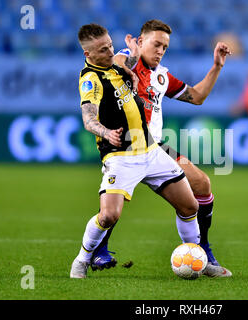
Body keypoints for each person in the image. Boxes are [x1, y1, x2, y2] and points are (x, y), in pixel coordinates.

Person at [91, 19, 233, 277]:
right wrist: (131, 56)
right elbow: (117, 65)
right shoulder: (126, 58)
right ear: (140, 41)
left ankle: (202, 250)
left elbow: (197, 97)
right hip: (126, 147)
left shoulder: (161, 76)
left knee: (201, 183)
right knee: (114, 204)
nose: (160, 50)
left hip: (156, 148)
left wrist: (216, 67)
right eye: (156, 44)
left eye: (165, 47)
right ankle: (98, 249)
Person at [70, 23, 202, 278]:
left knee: (189, 206)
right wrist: (106, 132)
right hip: (121, 157)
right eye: (102, 49)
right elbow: (88, 118)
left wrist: (130, 52)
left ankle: (195, 256)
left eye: (110, 45)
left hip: (151, 152)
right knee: (109, 215)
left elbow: (127, 58)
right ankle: (81, 260)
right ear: (88, 55)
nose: (109, 52)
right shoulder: (91, 79)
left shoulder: (118, 66)